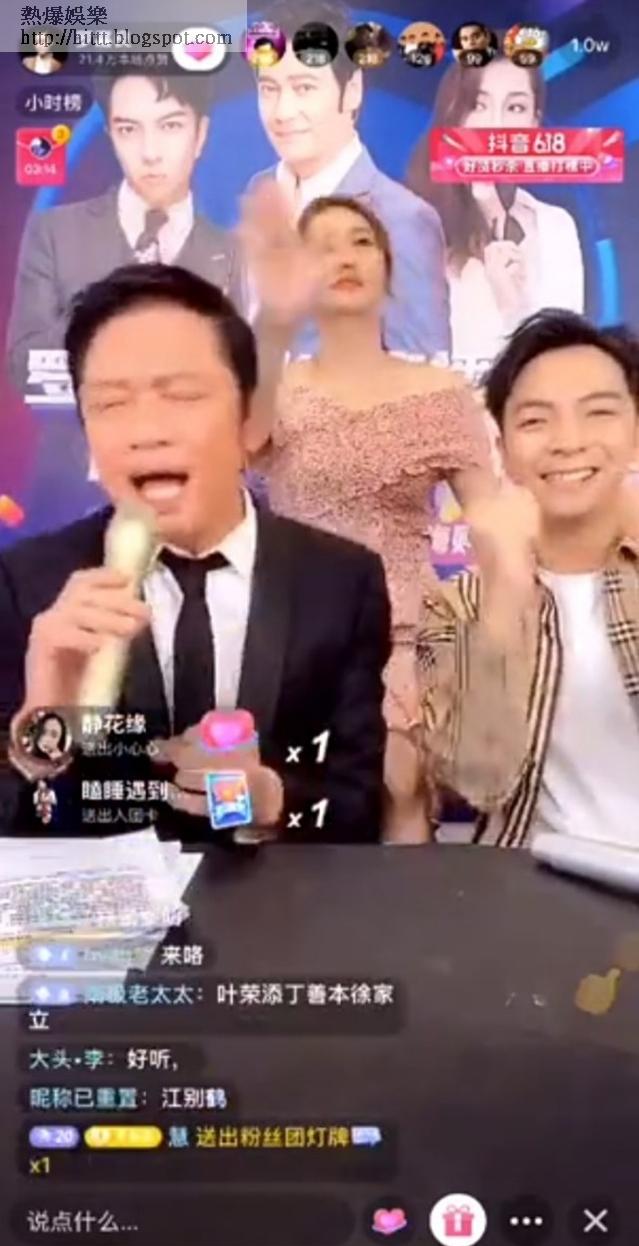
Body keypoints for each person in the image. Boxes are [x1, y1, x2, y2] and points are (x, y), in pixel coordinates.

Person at [0, 264, 391, 843]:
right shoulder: (28, 583)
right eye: (111, 404)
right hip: (108, 900)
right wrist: (45, 726)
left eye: (181, 396)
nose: (146, 432)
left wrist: (273, 801)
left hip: (281, 897)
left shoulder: (341, 581)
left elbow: (357, 809)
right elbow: (16, 825)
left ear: (249, 417)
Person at [240, 182, 496, 841]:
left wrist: (497, 632)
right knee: (285, 808)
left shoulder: (441, 392)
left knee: (397, 793)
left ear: (387, 265)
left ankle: (406, 913)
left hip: (404, 636)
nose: (345, 257)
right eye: (322, 247)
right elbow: (242, 441)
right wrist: (272, 320)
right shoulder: (280, 387)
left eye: (360, 242)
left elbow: (494, 522)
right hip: (293, 637)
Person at [417, 310, 639, 849]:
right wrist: (507, 590)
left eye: (598, 413)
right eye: (536, 421)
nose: (569, 441)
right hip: (534, 880)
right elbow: (475, 781)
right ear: (504, 452)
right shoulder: (458, 603)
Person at [241, 0, 450, 359]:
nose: (283, 112)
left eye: (304, 88)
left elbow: (427, 375)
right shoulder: (261, 192)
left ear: (352, 90)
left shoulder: (402, 219)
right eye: (269, 89)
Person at [7, 72, 241, 390]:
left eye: (170, 126)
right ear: (111, 137)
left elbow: (246, 372)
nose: (150, 153)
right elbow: (23, 363)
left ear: (200, 134)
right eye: (128, 130)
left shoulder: (232, 252)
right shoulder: (55, 233)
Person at [406, 56, 584, 372]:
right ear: (453, 115)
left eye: (515, 108)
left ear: (534, 124)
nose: (495, 125)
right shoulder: (408, 222)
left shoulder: (556, 228)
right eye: (478, 105)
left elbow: (561, 369)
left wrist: (514, 303)